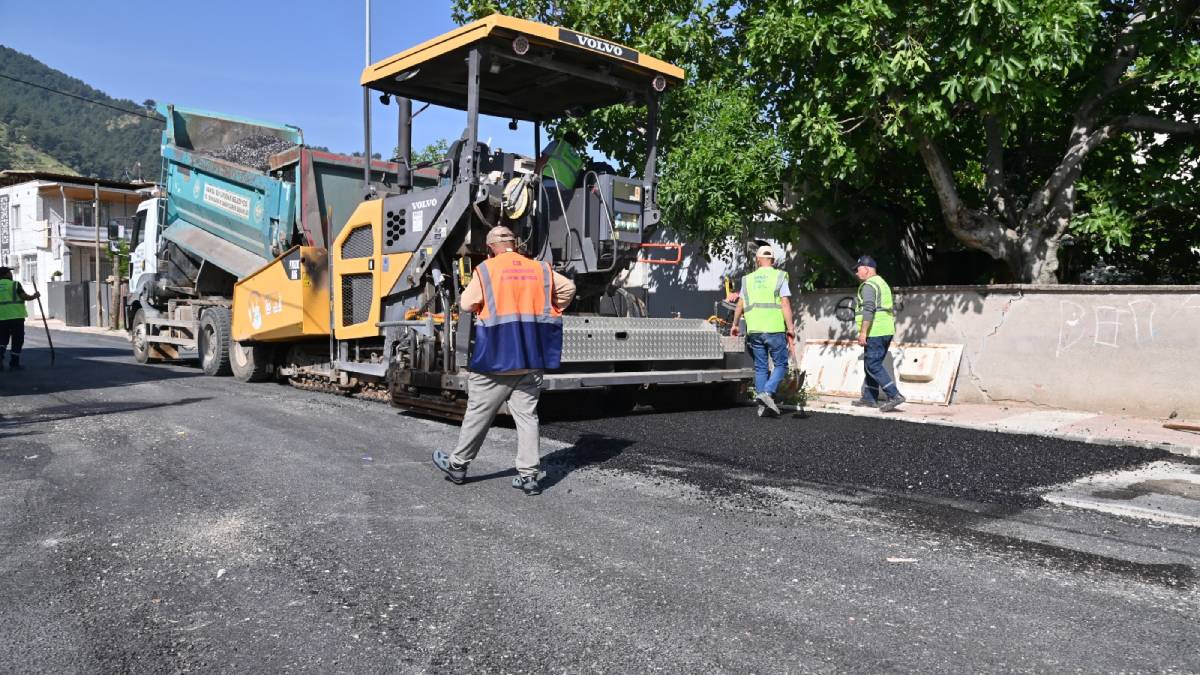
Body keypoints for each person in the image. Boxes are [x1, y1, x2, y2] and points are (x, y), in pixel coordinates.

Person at [432, 226, 577, 496]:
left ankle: (458, 466)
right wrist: (551, 306)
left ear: (490, 248)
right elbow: (568, 288)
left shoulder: (487, 270)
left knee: (478, 414)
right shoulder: (539, 269)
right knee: (527, 417)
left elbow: (466, 304)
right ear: (515, 245)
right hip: (532, 357)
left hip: (496, 359)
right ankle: (529, 476)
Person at [730, 245, 795, 417]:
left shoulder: (748, 279)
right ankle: (767, 393)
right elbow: (785, 303)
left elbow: (740, 304)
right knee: (781, 364)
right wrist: (791, 328)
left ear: (758, 259)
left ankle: (762, 406)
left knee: (760, 367)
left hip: (755, 329)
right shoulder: (779, 276)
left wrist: (735, 324)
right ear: (773, 260)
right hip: (773, 328)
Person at [853, 255, 905, 412]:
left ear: (866, 269)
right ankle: (869, 398)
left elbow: (869, 309)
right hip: (886, 329)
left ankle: (894, 395)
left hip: (875, 330)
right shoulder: (882, 283)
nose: (856, 273)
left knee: (873, 364)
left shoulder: (869, 285)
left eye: (858, 269)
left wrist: (863, 332)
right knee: (870, 364)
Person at [0, 266, 39, 371]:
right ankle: (14, 363)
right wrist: (34, 296)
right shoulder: (15, 284)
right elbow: (24, 297)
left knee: (2, 340)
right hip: (16, 317)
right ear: (5, 274)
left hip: (1, 318)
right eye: (9, 272)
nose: (11, 274)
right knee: (17, 340)